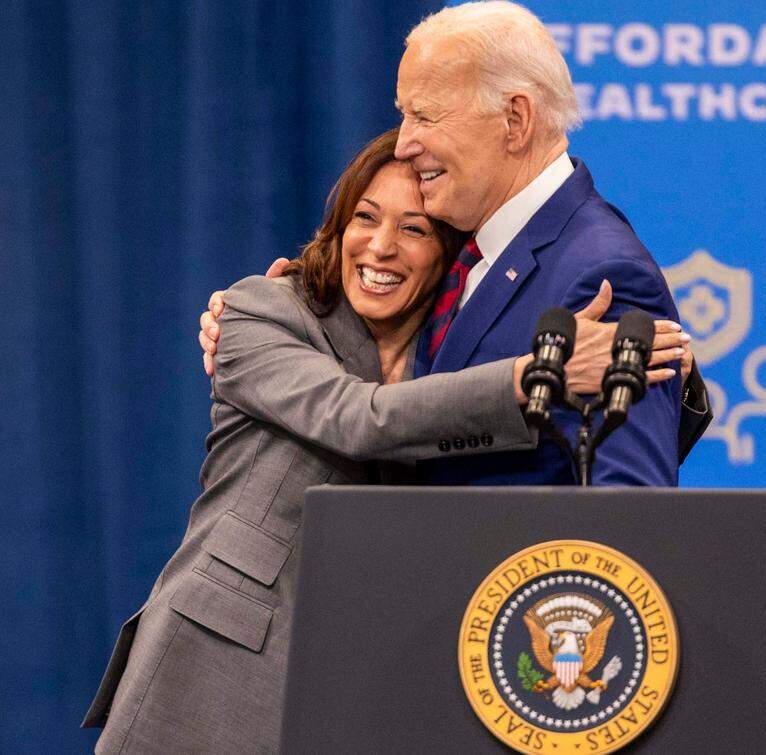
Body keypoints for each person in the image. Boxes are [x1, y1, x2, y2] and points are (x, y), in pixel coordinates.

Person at [82, 128, 686, 752]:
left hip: (356, 686)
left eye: (415, 230)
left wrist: (658, 376)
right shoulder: (264, 312)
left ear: (449, 256)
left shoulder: (447, 355)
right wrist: (533, 374)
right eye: (364, 219)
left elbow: (558, 447)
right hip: (214, 669)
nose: (380, 246)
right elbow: (359, 419)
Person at [202, 2, 705, 484]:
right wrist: (280, 302)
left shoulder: (602, 272)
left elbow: (626, 509)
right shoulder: (465, 253)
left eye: (425, 116)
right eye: (404, 115)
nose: (403, 144)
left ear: (515, 120)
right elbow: (380, 396)